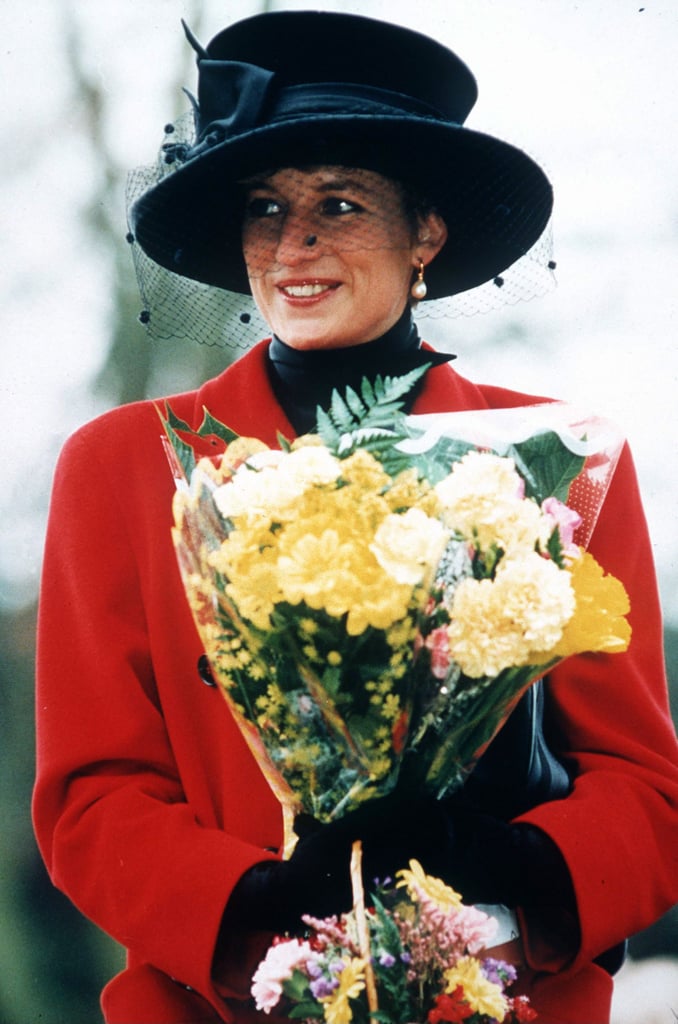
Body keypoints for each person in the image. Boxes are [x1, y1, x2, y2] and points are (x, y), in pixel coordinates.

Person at [33, 11, 678, 1024]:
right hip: (224, 1003)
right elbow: (91, 797)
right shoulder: (118, 464)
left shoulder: (567, 460)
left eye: (338, 204)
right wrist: (268, 909)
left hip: (499, 998)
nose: (293, 244)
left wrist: (498, 888)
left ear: (427, 231)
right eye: (264, 208)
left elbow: (644, 792)